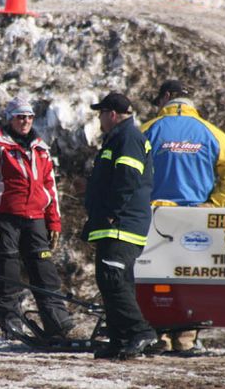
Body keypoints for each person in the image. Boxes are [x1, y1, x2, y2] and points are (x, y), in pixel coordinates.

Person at [142, 79, 225, 353]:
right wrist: (214, 203)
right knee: (190, 274)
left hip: (156, 216)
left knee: (156, 277)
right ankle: (187, 338)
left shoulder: (149, 130)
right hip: (196, 216)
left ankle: (160, 337)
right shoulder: (211, 132)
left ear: (165, 97)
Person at [0, 96, 74, 339]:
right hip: (6, 219)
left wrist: (54, 221)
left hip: (36, 219)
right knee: (8, 274)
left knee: (44, 271)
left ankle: (57, 322)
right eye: (20, 117)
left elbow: (50, 187)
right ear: (10, 119)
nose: (25, 121)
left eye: (29, 117)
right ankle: (11, 324)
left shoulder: (41, 149)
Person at [83, 92, 157, 360]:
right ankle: (119, 339)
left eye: (101, 113)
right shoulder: (120, 137)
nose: (100, 119)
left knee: (113, 279)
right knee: (114, 281)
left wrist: (112, 213)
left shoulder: (128, 138)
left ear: (111, 114)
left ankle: (140, 332)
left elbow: (127, 178)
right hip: (114, 224)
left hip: (121, 224)